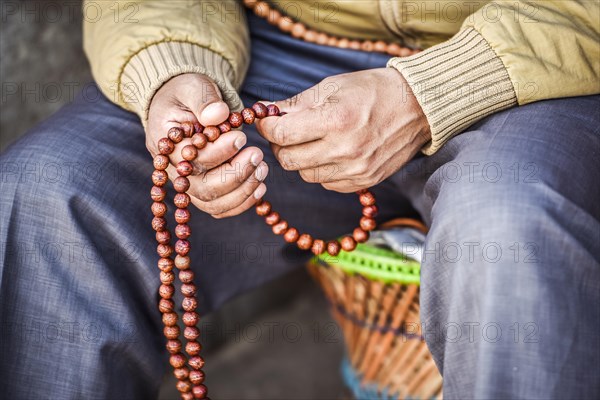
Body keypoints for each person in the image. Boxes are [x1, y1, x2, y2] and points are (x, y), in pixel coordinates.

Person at [1, 1, 598, 398]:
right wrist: (173, 65)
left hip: (534, 60)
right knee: (51, 191)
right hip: (275, 47)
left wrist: (435, 89)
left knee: (511, 228)